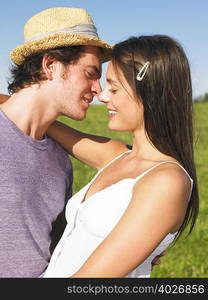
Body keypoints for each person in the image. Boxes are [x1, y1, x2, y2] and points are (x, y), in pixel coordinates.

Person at [42, 34, 199, 278]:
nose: (102, 96)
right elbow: (39, 119)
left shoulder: (167, 181)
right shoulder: (116, 155)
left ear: (150, 93)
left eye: (114, 88)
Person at [0, 7, 112, 277]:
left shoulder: (60, 161)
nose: (98, 89)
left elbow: (61, 250)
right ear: (50, 65)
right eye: (90, 73)